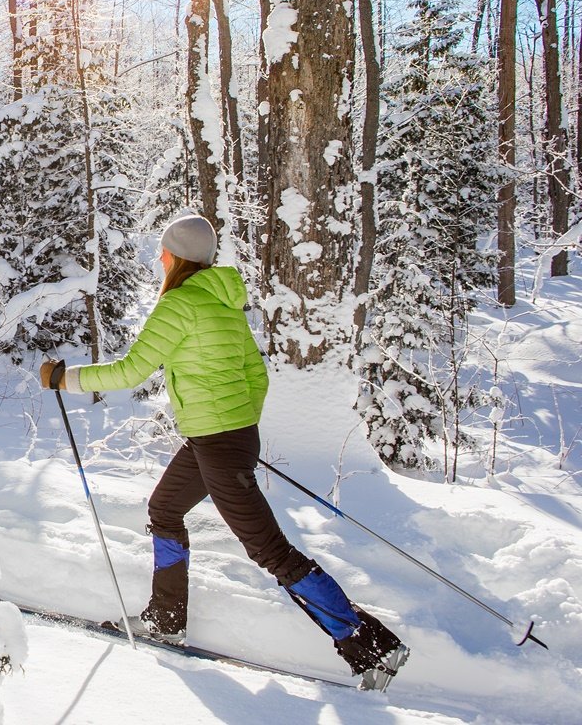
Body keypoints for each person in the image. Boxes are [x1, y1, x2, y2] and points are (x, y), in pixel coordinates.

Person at [39, 213, 409, 691]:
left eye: (163, 251)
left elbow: (131, 372)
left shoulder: (180, 304)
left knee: (269, 550)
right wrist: (235, 427)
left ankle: (370, 645)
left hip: (217, 441)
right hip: (220, 438)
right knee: (165, 508)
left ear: (175, 257)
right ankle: (166, 619)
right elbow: (258, 377)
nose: (159, 258)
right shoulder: (223, 303)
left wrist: (62, 379)